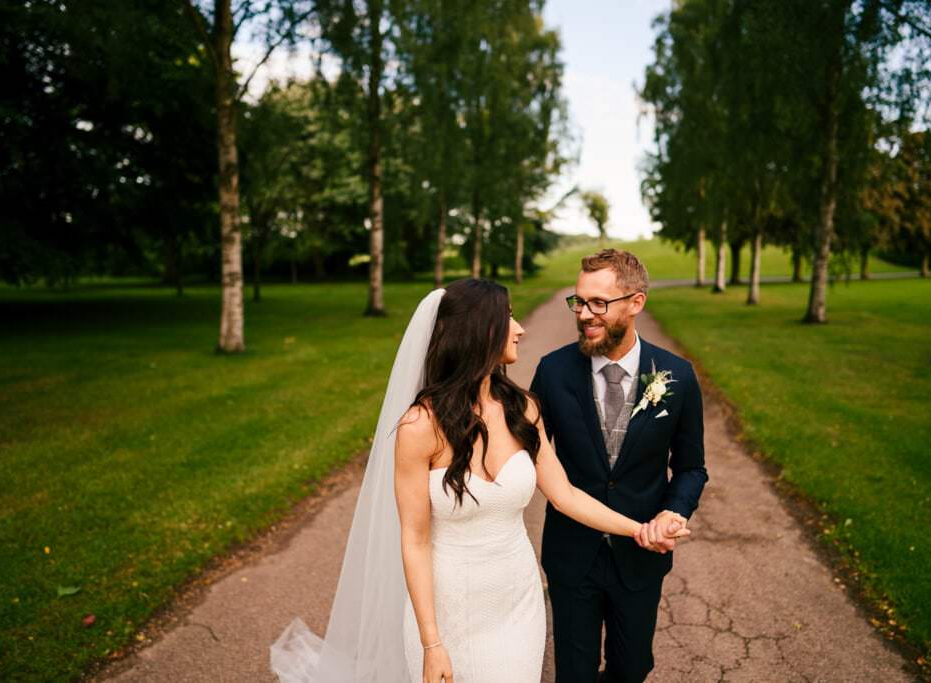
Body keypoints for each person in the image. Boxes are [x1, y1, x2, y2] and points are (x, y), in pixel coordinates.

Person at [269, 278, 685, 683]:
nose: (520, 328)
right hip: (447, 608)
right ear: (480, 332)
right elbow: (413, 540)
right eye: (508, 316)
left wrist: (641, 530)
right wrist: (432, 644)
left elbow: (565, 495)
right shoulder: (420, 426)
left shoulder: (523, 408)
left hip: (517, 602)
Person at [530, 248, 709, 683]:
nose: (585, 314)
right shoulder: (552, 372)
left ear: (635, 302)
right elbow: (527, 455)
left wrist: (674, 511)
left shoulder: (677, 376)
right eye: (579, 301)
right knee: (573, 672)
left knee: (632, 669)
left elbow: (691, 468)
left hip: (641, 556)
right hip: (573, 556)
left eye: (599, 303)